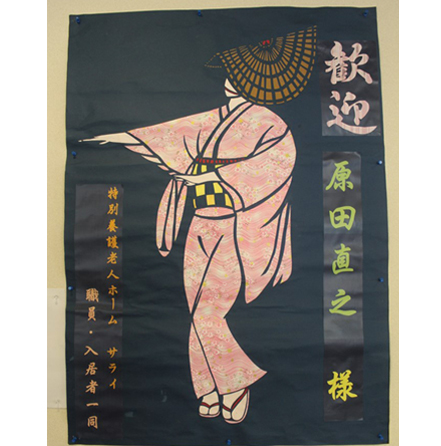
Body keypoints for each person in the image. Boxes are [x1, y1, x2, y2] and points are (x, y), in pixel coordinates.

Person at [82, 27, 315, 424]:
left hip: (236, 227)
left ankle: (235, 384)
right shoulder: (217, 118)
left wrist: (208, 177)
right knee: (197, 310)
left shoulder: (271, 125)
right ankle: (209, 388)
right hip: (200, 222)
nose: (227, 78)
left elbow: (271, 170)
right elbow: (170, 136)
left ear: (251, 80)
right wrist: (121, 137)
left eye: (234, 73)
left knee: (208, 313)